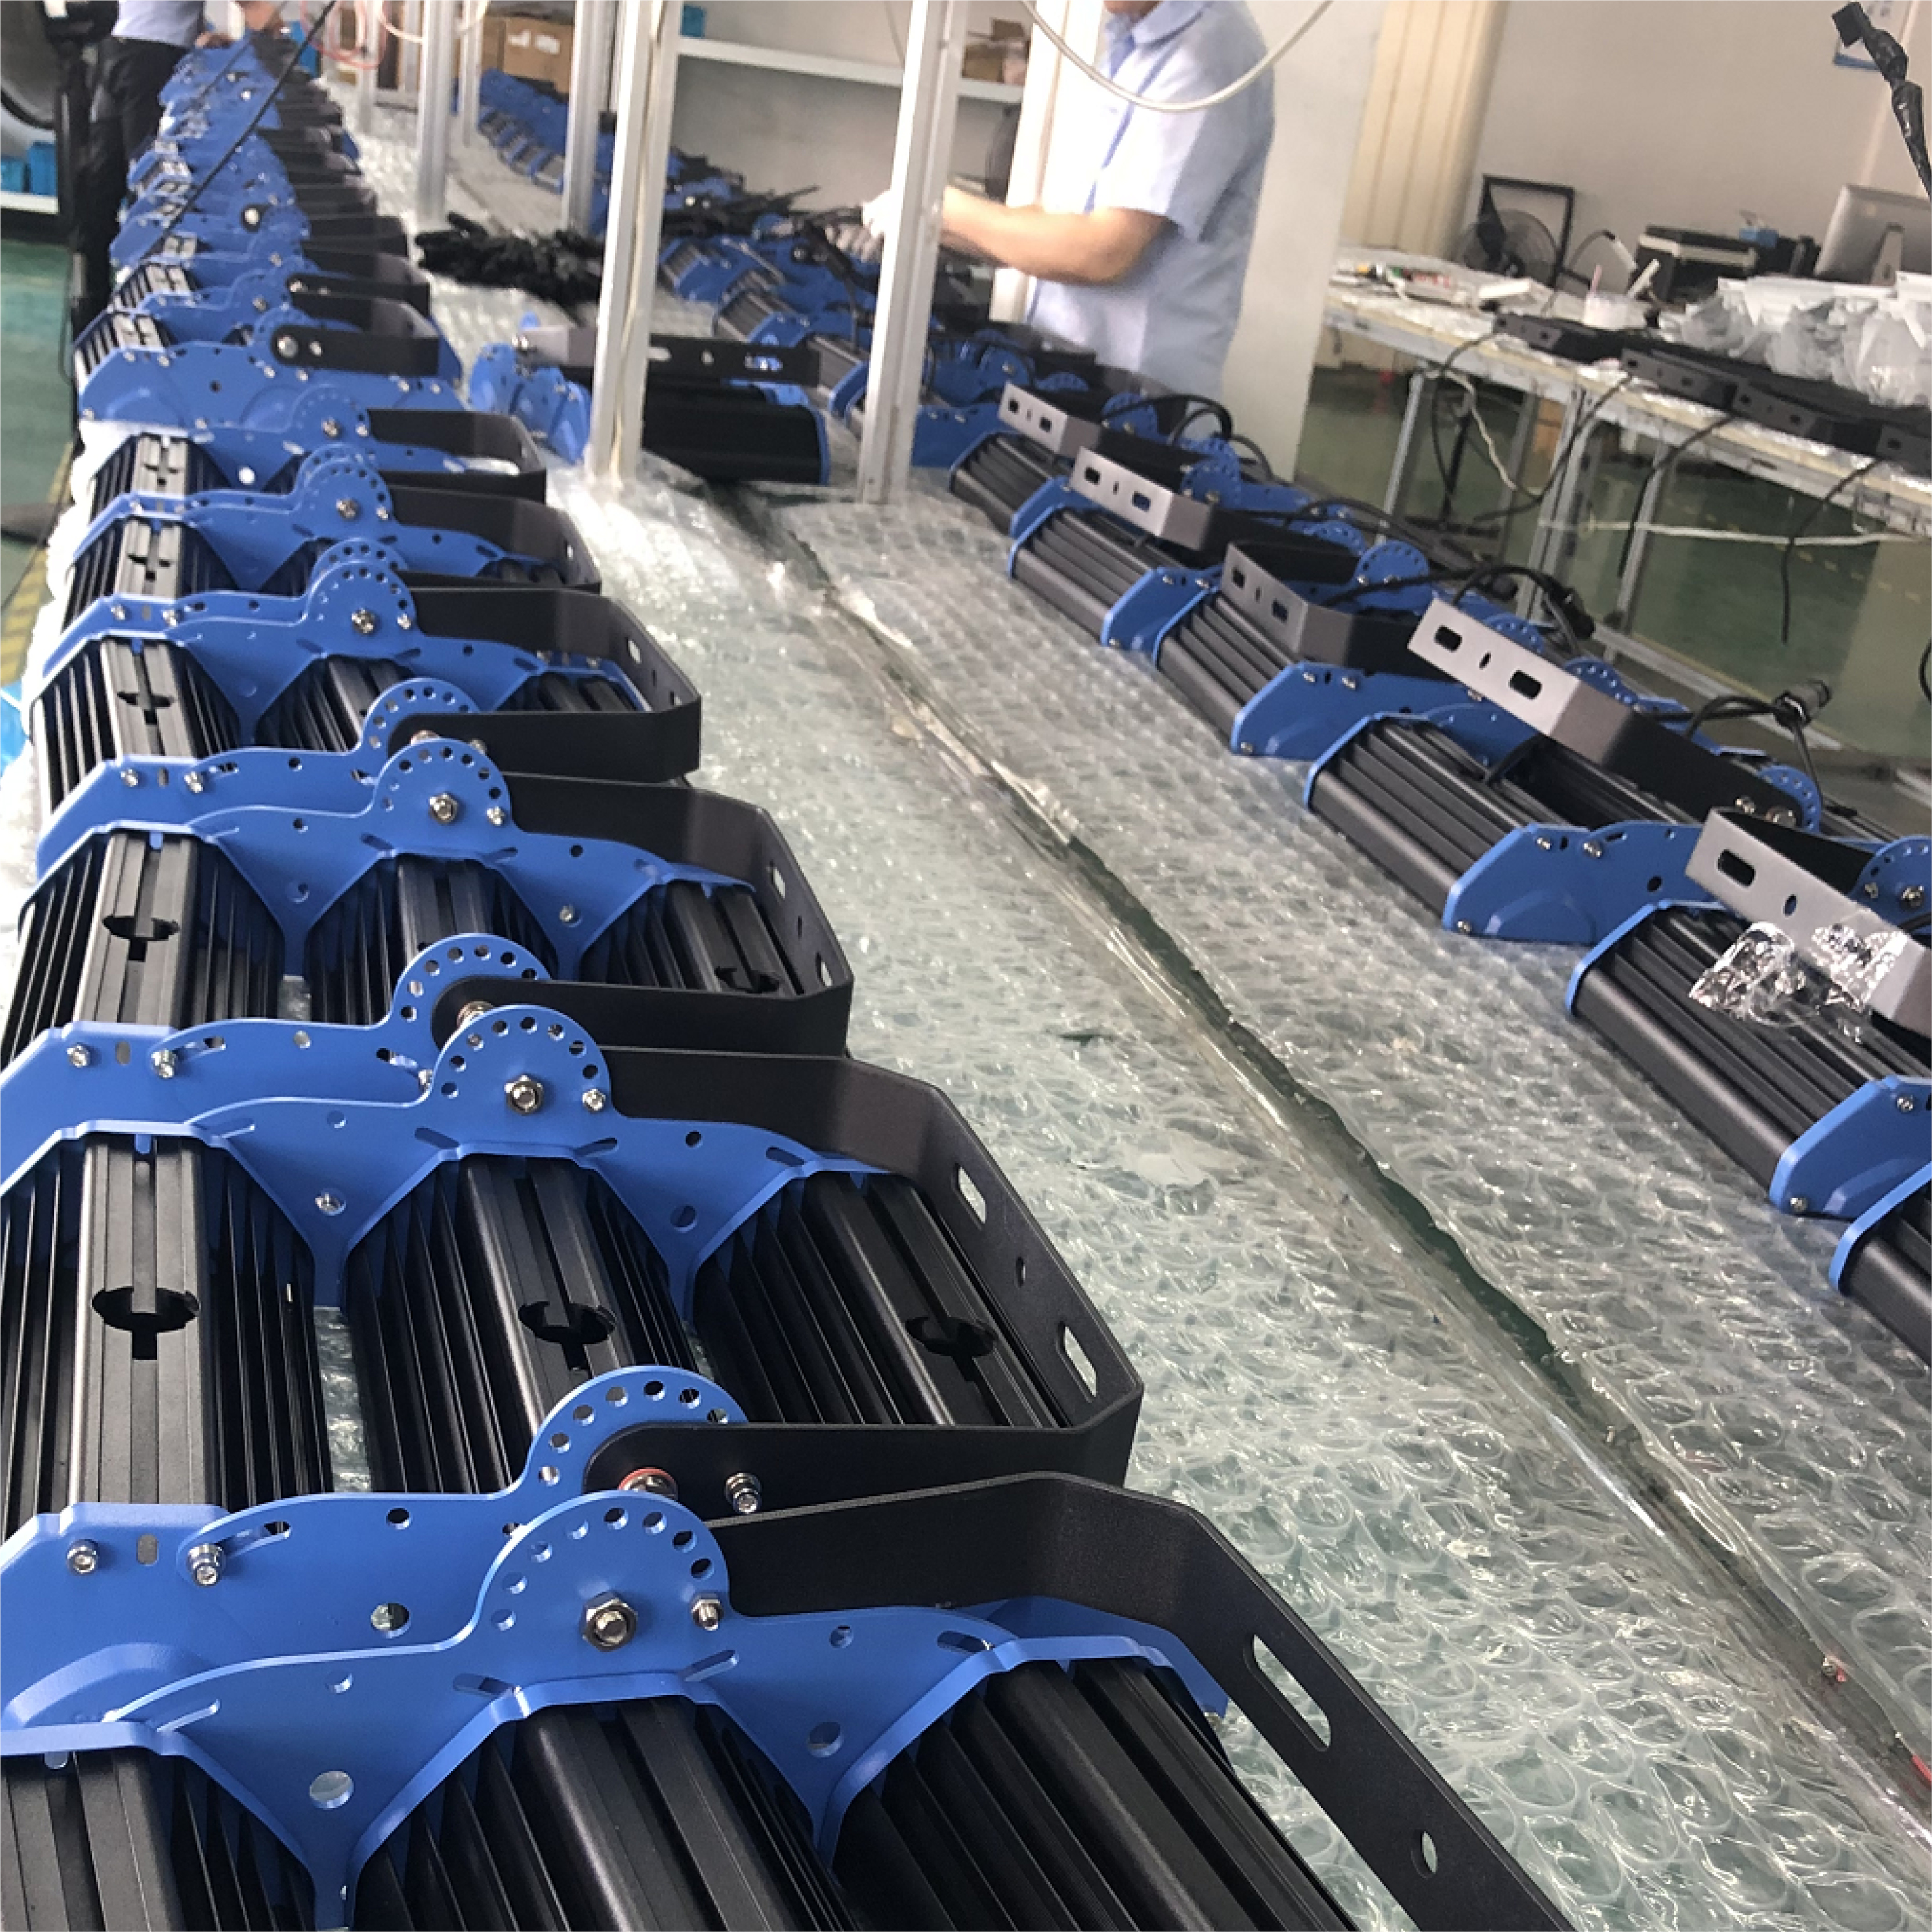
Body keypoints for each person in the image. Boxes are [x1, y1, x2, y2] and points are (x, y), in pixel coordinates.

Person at [934, 0, 1275, 396]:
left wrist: (944, 210)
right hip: (1071, 384)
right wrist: (932, 227)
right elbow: (1061, 222)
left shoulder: (1210, 55)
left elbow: (1103, 252)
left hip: (1133, 404)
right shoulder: (1133, 44)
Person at [70, 0, 282, 330]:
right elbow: (256, 9)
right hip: (149, 64)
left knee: (101, 196)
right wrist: (276, 34)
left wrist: (201, 35)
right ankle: (139, 325)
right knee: (151, 201)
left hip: (117, 55)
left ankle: (91, 324)